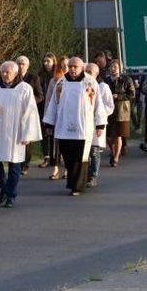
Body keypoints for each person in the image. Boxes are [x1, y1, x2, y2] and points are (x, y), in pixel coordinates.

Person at [0, 61, 42, 207]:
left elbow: (30, 112)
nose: (4, 74)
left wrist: (27, 134)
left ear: (16, 73)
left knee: (14, 164)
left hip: (16, 132)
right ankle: (4, 188)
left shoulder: (24, 89)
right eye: (2, 71)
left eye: (7, 72)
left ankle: (11, 195)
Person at [43, 57, 106, 196]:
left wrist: (100, 123)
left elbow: (98, 103)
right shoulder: (61, 82)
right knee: (68, 156)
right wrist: (49, 123)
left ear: (81, 68)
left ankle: (78, 185)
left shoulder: (89, 82)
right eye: (70, 66)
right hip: (64, 127)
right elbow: (53, 104)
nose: (72, 69)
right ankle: (72, 181)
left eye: (75, 67)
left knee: (80, 156)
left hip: (83, 127)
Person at [85, 63, 113, 188]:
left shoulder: (103, 87)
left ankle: (93, 176)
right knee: (85, 152)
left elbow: (109, 106)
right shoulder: (82, 86)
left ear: (96, 74)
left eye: (90, 72)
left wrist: (98, 115)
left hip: (96, 123)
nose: (88, 74)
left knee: (94, 151)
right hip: (84, 125)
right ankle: (84, 174)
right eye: (86, 71)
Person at [15, 56, 44, 175]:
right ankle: (16, 161)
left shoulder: (33, 78)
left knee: (27, 138)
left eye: (23, 64)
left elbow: (40, 95)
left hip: (28, 112)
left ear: (27, 65)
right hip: (15, 112)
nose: (20, 66)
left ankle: (25, 164)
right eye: (18, 64)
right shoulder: (13, 77)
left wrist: (30, 102)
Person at [104, 59, 135, 168]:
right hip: (108, 111)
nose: (112, 69)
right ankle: (112, 152)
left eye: (115, 67)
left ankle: (116, 157)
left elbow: (131, 94)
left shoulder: (126, 79)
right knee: (109, 137)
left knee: (118, 135)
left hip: (122, 110)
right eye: (111, 67)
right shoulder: (106, 80)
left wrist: (119, 96)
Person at [44, 55, 69, 180]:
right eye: (62, 64)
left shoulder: (74, 80)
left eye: (67, 64)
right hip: (58, 117)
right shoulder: (54, 81)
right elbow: (49, 100)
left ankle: (67, 169)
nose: (65, 66)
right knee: (56, 144)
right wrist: (47, 119)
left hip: (69, 117)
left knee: (68, 143)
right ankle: (55, 168)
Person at [38, 52, 56, 168]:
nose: (46, 64)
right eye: (44, 61)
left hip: (54, 106)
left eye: (48, 61)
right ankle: (46, 157)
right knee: (44, 133)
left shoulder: (57, 76)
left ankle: (55, 156)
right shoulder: (40, 75)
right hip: (43, 106)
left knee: (54, 133)